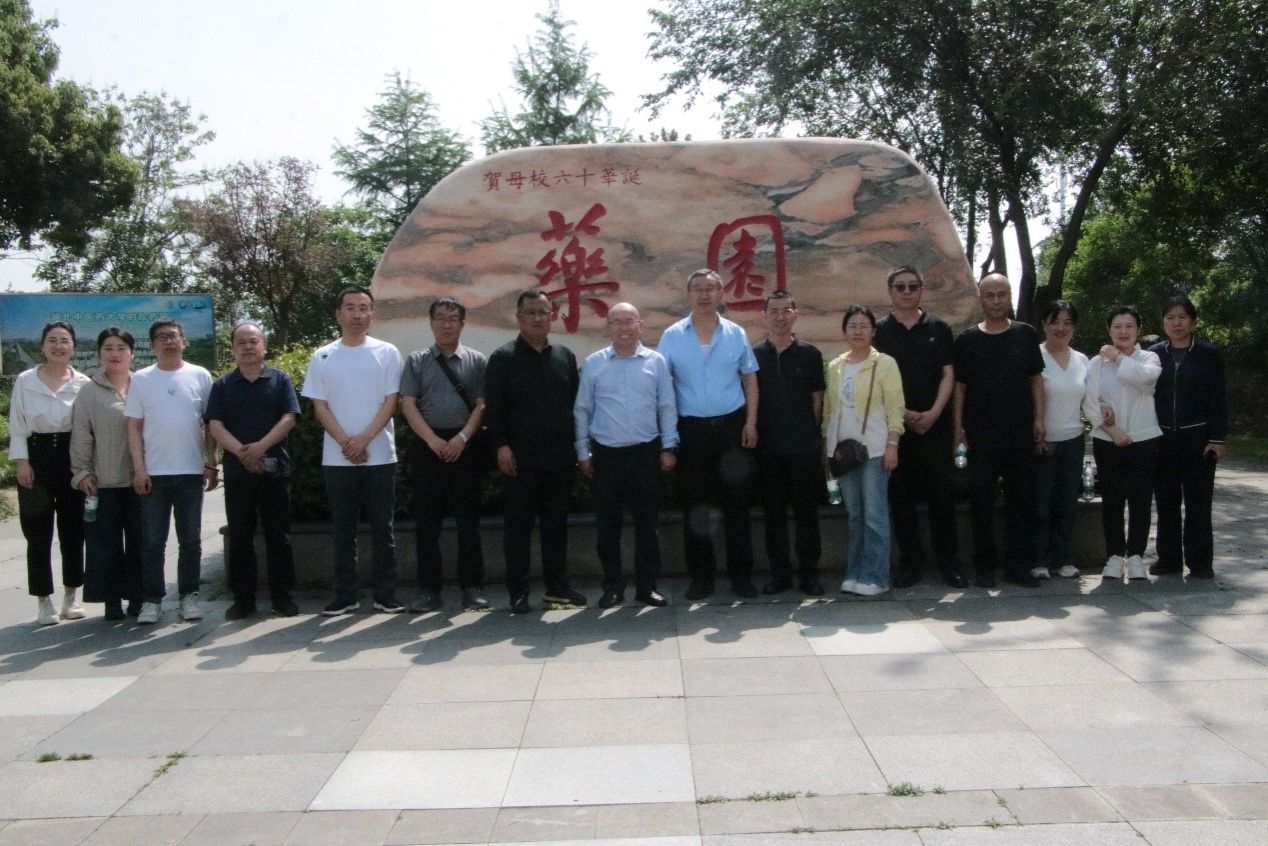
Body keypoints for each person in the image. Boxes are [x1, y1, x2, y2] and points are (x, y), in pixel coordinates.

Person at [658, 268, 760, 601]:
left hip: (731, 429)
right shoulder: (673, 335)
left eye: (711, 288)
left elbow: (750, 378)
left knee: (737, 505)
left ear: (721, 294)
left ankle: (741, 578)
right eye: (698, 289)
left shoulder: (735, 333)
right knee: (696, 507)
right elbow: (662, 387)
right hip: (692, 432)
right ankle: (701, 578)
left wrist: (751, 422)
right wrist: (668, 437)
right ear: (688, 295)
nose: (704, 295)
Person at [302, 285, 405, 616]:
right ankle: (345, 595)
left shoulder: (387, 352)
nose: (357, 314)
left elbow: (391, 401)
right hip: (337, 459)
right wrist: (346, 442)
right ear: (338, 314)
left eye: (363, 308)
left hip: (380, 456)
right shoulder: (322, 356)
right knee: (343, 530)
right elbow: (319, 406)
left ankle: (386, 594)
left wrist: (362, 440)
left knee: (382, 528)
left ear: (372, 314)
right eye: (350, 307)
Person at [484, 289, 586, 614]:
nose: (538, 318)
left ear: (551, 315)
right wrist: (501, 446)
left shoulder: (565, 356)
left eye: (544, 312)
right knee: (519, 527)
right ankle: (518, 591)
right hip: (519, 460)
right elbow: (494, 410)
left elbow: (576, 408)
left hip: (559, 458)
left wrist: (579, 449)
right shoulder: (503, 358)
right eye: (531, 312)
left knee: (556, 525)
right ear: (519, 317)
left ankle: (558, 587)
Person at [574, 302, 677, 608]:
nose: (623, 327)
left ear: (640, 325)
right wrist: (583, 452)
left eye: (629, 321)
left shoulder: (656, 362)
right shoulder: (594, 363)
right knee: (608, 527)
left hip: (646, 453)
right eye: (616, 322)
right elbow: (582, 410)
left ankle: (647, 587)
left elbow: (666, 406)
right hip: (607, 456)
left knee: (647, 525)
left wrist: (669, 447)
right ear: (608, 327)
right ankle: (613, 587)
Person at [873, 266, 969, 589]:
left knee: (942, 497)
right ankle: (910, 564)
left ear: (921, 290)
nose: (906, 292)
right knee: (902, 499)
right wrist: (903, 414)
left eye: (912, 286)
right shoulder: (880, 331)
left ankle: (949, 565)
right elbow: (876, 381)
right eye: (900, 287)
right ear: (890, 292)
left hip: (935, 427)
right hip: (896, 430)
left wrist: (934, 412)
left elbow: (948, 374)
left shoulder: (938, 327)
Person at [952, 273, 1044, 589]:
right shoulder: (966, 340)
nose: (995, 301)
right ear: (980, 299)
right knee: (982, 504)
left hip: (1020, 433)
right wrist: (958, 428)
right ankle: (984, 567)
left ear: (1009, 297)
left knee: (1021, 502)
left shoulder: (1025, 334)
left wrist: (1039, 419)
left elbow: (1036, 379)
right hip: (980, 436)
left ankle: (1018, 567)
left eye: (1001, 294)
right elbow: (960, 388)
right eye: (989, 295)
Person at [400, 297, 490, 612]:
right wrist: (433, 441)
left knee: (468, 521)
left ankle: (473, 588)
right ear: (431, 322)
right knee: (428, 523)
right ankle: (428, 591)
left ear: (462, 324)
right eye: (440, 318)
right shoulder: (417, 360)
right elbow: (408, 403)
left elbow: (482, 405)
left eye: (453, 319)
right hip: (428, 447)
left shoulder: (476, 360)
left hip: (466, 446)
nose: (446, 324)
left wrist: (462, 438)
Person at [206, 322, 300, 619]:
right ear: (233, 349)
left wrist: (261, 447)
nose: (248, 347)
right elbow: (215, 425)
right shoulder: (222, 385)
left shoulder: (280, 380)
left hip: (275, 471)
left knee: (278, 536)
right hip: (238, 473)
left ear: (264, 346)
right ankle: (243, 600)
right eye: (241, 342)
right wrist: (241, 452)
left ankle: (282, 597)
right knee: (240, 537)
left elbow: (289, 418)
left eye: (253, 341)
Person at [125, 319, 217, 624]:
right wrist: (139, 469)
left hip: (191, 472)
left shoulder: (200, 375)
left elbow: (210, 423)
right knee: (153, 542)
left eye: (174, 336)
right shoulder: (141, 379)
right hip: (154, 474)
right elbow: (133, 427)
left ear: (184, 342)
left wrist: (211, 460)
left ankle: (189, 596)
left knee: (190, 541)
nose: (169, 342)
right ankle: (152, 600)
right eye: (162, 337)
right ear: (152, 345)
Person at [9, 321, 90, 625]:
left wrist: (85, 468)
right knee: (37, 534)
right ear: (42, 346)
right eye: (52, 340)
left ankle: (72, 596)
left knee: (73, 532)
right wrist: (22, 462)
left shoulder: (82, 383)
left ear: (73, 347)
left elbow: (87, 430)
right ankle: (44, 601)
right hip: (36, 460)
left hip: (71, 459)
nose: (58, 346)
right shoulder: (25, 381)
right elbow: (17, 423)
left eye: (64, 340)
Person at [823, 306, 905, 595]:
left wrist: (893, 444)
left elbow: (896, 409)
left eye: (863, 326)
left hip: (875, 449)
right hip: (844, 453)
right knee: (855, 516)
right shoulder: (835, 366)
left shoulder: (884, 363)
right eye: (852, 326)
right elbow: (830, 410)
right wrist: (827, 448)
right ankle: (855, 573)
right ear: (844, 331)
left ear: (873, 331)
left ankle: (876, 577)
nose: (857, 331)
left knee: (874, 515)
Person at [752, 290, 825, 596]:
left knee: (807, 514)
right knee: (774, 515)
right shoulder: (754, 356)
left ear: (796, 314)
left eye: (786, 311)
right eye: (774, 311)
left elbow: (817, 402)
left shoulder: (810, 354)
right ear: (764, 316)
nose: (780, 317)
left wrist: (810, 434)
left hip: (803, 448)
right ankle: (779, 575)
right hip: (768, 449)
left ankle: (809, 575)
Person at [1149, 296, 1227, 579]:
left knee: (1198, 503)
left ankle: (1201, 562)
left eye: (1182, 317)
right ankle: (1168, 560)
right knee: (1166, 502)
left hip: (1199, 439)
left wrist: (1218, 438)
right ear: (1163, 322)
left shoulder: (1208, 353)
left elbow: (1218, 398)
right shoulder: (1153, 354)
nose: (1176, 323)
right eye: (1170, 318)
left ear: (1192, 321)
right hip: (1163, 439)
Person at [70, 327, 143, 621]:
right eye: (108, 348)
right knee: (105, 546)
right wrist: (82, 472)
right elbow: (81, 435)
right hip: (103, 482)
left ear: (132, 353)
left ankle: (138, 598)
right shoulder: (88, 392)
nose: (115, 354)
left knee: (140, 542)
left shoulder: (143, 386)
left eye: (121, 348)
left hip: (140, 481)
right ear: (99, 353)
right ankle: (111, 601)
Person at [1086, 306, 1162, 581]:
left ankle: (1136, 556)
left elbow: (1147, 380)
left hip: (1145, 438)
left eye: (1129, 326)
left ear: (1138, 330)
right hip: (1108, 439)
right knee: (1112, 499)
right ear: (1109, 330)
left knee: (1140, 499)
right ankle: (1115, 556)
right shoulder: (1096, 363)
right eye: (1117, 326)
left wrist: (1118, 357)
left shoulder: (1150, 358)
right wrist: (1112, 430)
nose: (1123, 332)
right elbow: (1090, 402)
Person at [1032, 301, 1091, 579]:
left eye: (1067, 322)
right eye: (1055, 322)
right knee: (1041, 503)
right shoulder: (1035, 356)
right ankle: (1039, 559)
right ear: (1044, 325)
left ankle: (1063, 558)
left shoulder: (1082, 360)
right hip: (1043, 440)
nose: (1061, 328)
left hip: (1073, 440)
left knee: (1067, 502)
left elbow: (1090, 400)